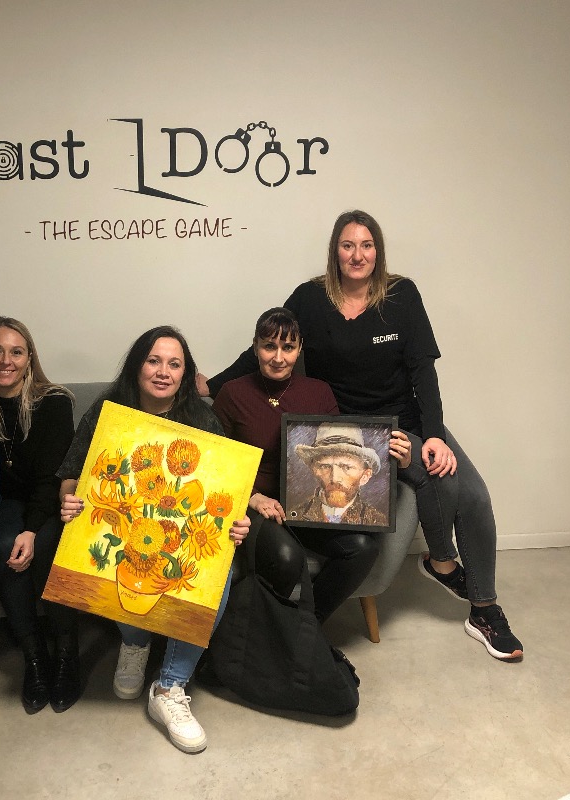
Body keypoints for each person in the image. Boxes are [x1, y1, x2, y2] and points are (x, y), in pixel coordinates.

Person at [203, 210, 523, 661]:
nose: (357, 255)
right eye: (348, 245)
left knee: (471, 494)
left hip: (407, 421)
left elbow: (423, 371)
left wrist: (433, 435)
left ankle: (482, 607)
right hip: (350, 431)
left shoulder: (402, 295)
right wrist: (211, 385)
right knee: (435, 481)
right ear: (335, 251)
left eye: (367, 245)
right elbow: (267, 344)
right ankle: (442, 563)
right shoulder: (311, 298)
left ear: (378, 251)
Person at [57, 326, 251, 753]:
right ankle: (135, 642)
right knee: (113, 554)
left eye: (174, 364)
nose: (164, 371)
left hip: (181, 535)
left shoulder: (202, 418)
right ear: (137, 365)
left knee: (218, 571)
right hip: (125, 523)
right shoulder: (108, 411)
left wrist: (237, 523)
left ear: (185, 374)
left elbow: (227, 490)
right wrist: (69, 499)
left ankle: (170, 686)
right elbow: (72, 471)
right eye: (154, 360)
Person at [212, 307, 411, 623]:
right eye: (269, 346)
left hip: (306, 509)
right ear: (255, 347)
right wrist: (252, 497)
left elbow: (341, 451)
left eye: (288, 347)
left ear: (300, 348)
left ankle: (306, 628)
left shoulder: (319, 391)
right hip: (258, 508)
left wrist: (397, 457)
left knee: (362, 548)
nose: (279, 357)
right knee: (286, 557)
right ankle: (288, 633)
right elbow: (215, 463)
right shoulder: (232, 393)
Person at [0, 316, 80, 714]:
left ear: (29, 358)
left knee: (50, 545)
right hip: (2, 500)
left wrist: (32, 530)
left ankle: (67, 653)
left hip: (48, 497)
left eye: (16, 352)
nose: (6, 361)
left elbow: (52, 477)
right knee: (4, 546)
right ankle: (34, 656)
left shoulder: (54, 402)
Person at [293, 421, 387, 526]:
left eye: (346, 467)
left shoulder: (379, 522)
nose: (335, 478)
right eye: (325, 466)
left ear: (365, 476)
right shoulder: (293, 516)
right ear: (314, 470)